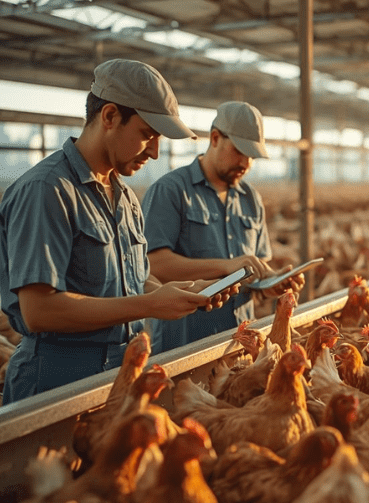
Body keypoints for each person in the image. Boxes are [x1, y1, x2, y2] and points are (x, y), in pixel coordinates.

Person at [0, 59, 221, 404]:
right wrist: (149, 303)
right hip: (57, 379)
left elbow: (132, 281)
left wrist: (176, 292)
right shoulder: (48, 190)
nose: (155, 151)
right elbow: (39, 310)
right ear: (110, 117)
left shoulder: (126, 198)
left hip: (119, 372)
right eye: (147, 135)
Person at [142, 101, 305, 354]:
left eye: (251, 156)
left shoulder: (251, 199)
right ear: (215, 138)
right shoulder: (171, 191)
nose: (246, 163)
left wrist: (271, 284)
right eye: (239, 151)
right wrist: (226, 266)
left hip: (240, 343)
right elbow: (153, 265)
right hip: (183, 346)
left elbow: (253, 274)